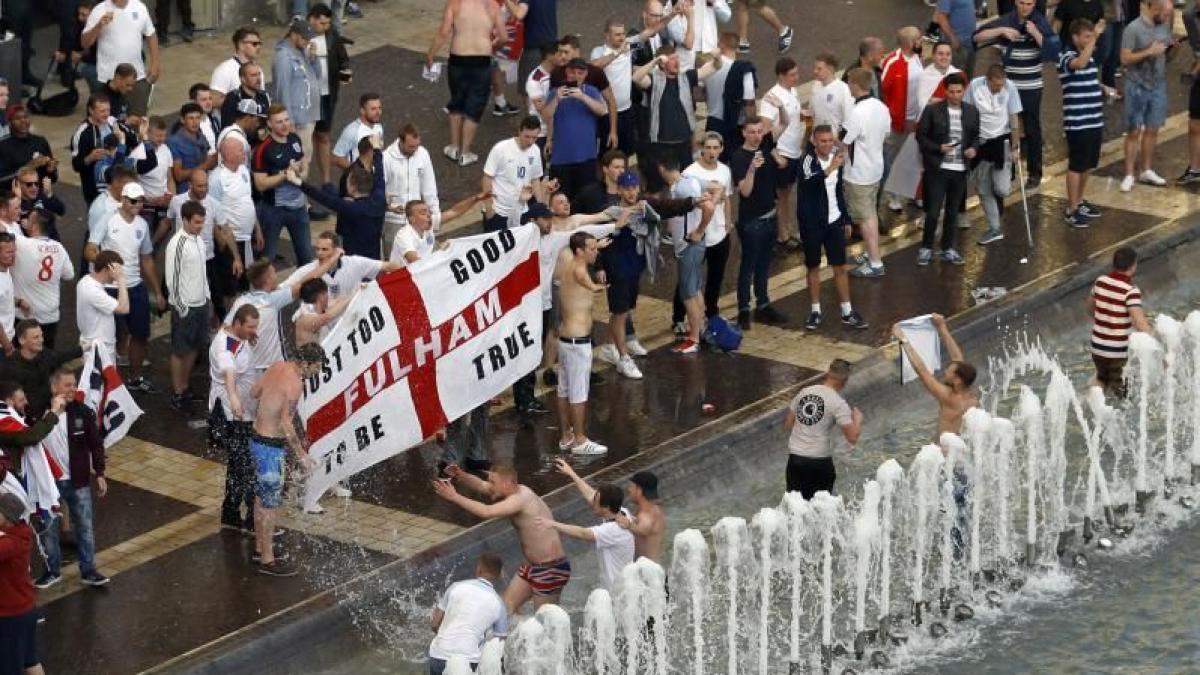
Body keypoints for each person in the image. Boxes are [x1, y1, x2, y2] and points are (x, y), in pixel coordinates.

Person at [433, 464, 570, 611]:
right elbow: (480, 485)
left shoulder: (520, 499)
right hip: (532, 566)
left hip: (550, 569)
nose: (490, 486)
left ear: (506, 484)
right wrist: (461, 475)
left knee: (544, 621)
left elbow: (486, 511)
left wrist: (455, 496)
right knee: (504, 610)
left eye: (493, 482)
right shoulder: (512, 490)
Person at [247, 343, 324, 576]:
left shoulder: (276, 366)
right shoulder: (296, 384)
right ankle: (268, 561)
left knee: (260, 498)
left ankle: (260, 548)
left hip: (255, 439)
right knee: (270, 504)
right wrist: (302, 455)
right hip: (270, 448)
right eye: (316, 368)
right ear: (305, 363)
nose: (317, 373)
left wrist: (269, 405)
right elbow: (286, 423)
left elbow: (254, 392)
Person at [85, 182, 165, 390]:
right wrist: (106, 264)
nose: (137, 204)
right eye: (132, 200)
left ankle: (136, 377)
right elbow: (90, 249)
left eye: (140, 200)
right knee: (110, 336)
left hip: (135, 287)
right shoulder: (107, 220)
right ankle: (108, 381)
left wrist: (157, 291)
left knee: (140, 334)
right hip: (111, 288)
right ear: (123, 199)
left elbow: (146, 259)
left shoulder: (142, 225)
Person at [973, 0, 1056, 189]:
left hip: (1031, 85)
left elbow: (1052, 52)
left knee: (1032, 128)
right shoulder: (1007, 20)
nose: (1025, 7)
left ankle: (1034, 172)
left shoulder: (1040, 22)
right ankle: (1007, 170)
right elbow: (977, 36)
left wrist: (1036, 33)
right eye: (1022, 3)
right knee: (1006, 129)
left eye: (1029, 3)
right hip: (1008, 86)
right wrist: (1000, 31)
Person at [38, 369, 109, 588]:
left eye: (74, 384)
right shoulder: (39, 413)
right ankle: (52, 570)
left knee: (85, 527)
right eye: (67, 385)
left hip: (78, 481)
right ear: (54, 388)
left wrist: (100, 473)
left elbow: (96, 444)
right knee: (48, 529)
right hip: (48, 483)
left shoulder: (82, 412)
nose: (72, 389)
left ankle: (88, 570)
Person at [797, 125, 868, 331]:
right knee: (813, 267)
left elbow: (838, 190)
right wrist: (831, 168)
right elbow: (810, 183)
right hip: (812, 224)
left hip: (834, 221)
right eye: (823, 141)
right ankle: (815, 310)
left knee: (840, 266)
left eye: (830, 141)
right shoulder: (807, 160)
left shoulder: (836, 159)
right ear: (814, 141)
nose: (827, 145)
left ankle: (847, 311)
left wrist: (845, 219)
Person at [427, 0, 507, 167]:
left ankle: (454, 147)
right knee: (475, 104)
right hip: (481, 59)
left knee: (457, 101)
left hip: (458, 58)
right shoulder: (492, 5)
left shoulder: (455, 3)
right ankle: (465, 152)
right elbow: (504, 37)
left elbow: (443, 32)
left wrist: (431, 54)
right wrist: (492, 45)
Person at [538, 459, 634, 591]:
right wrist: (571, 473)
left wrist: (552, 524)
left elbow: (582, 533)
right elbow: (590, 494)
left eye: (596, 501)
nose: (591, 501)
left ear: (606, 507)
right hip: (621, 586)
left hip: (617, 592)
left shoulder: (612, 530)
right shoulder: (623, 513)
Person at [915, 73, 979, 267]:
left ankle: (947, 248)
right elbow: (921, 137)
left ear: (964, 91)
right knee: (933, 212)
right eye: (951, 92)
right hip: (937, 169)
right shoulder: (932, 111)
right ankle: (926, 247)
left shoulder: (971, 111)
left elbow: (976, 135)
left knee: (952, 212)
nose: (955, 95)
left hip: (959, 170)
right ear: (945, 91)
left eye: (959, 92)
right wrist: (938, 148)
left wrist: (973, 149)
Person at [729, 116, 786, 330]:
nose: (756, 136)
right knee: (748, 267)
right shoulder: (739, 157)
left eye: (759, 132)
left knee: (764, 266)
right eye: (751, 132)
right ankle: (744, 309)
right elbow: (744, 191)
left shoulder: (766, 148)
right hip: (751, 222)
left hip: (770, 217)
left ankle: (763, 305)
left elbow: (785, 125)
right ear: (744, 133)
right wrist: (752, 168)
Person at [556, 231, 609, 454]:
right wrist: (600, 286)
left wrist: (599, 244)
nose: (595, 252)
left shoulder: (568, 262)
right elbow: (589, 283)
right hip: (578, 343)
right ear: (580, 251)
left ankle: (565, 436)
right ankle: (579, 440)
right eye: (592, 249)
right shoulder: (578, 269)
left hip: (566, 339)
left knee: (564, 390)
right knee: (578, 393)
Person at [783, 359, 862, 498]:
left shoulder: (804, 392)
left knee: (795, 506)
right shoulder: (838, 403)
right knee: (820, 508)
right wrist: (857, 419)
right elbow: (852, 438)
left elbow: (789, 424)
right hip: (819, 462)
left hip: (795, 460)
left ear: (828, 374)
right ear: (845, 380)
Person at [841, 68, 892, 279]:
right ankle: (870, 254)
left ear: (854, 85)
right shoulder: (881, 107)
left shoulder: (856, 112)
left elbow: (843, 142)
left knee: (866, 218)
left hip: (858, 174)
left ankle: (875, 262)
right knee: (870, 212)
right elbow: (886, 134)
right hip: (875, 169)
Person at [633, 45, 703, 195]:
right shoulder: (653, 81)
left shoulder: (687, 78)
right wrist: (655, 60)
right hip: (660, 146)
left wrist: (716, 57)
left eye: (677, 58)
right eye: (672, 59)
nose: (677, 62)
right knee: (655, 187)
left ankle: (681, 214)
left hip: (684, 144)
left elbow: (713, 67)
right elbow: (636, 77)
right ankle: (654, 217)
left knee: (685, 183)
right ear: (663, 63)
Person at [1118, 0, 1173, 193]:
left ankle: (1146, 169)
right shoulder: (1133, 29)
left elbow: (1165, 56)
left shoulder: (1164, 27)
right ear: (1154, 9)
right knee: (1134, 131)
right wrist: (1149, 51)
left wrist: (1173, 49)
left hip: (1158, 84)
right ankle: (1129, 173)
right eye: (1165, 14)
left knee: (1152, 128)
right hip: (1136, 85)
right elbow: (1124, 58)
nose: (1167, 18)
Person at [964, 64, 1022, 244]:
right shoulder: (975, 85)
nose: (999, 89)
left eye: (1001, 85)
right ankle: (995, 228)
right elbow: (967, 112)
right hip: (981, 144)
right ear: (988, 80)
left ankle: (998, 206)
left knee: (1002, 188)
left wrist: (1015, 146)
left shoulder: (1010, 87)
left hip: (1002, 142)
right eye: (996, 85)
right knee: (982, 189)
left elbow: (1014, 118)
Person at [893, 314, 978, 435]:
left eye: (949, 372)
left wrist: (903, 339)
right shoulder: (970, 393)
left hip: (943, 451)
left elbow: (921, 370)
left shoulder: (949, 397)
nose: (945, 372)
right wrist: (942, 327)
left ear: (957, 380)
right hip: (960, 447)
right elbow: (957, 358)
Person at [660, 157, 713, 352]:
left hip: (689, 246)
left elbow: (708, 206)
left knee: (689, 293)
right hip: (691, 245)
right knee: (695, 289)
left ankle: (694, 338)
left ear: (661, 168)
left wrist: (699, 230)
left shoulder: (684, 188)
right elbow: (716, 188)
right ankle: (701, 329)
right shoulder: (688, 181)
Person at [1058, 19, 1106, 228]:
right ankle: (1071, 209)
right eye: (1086, 37)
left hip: (1094, 119)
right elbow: (1079, 65)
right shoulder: (1066, 57)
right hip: (1077, 123)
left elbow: (1088, 75)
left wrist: (1103, 88)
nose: (1090, 41)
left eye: (1091, 36)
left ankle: (1079, 200)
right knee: (1077, 165)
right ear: (1075, 38)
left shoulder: (1090, 57)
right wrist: (1095, 37)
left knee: (1089, 164)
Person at [427, 553, 508, 675]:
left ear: (478, 569)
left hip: (439, 655)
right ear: (499, 575)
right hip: (469, 660)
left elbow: (434, 624)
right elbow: (499, 643)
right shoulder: (499, 604)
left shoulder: (455, 587)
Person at [253, 105, 314, 266]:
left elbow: (303, 162)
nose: (285, 124)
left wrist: (301, 174)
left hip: (299, 208)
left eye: (287, 120)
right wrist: (285, 175)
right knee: (267, 258)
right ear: (270, 124)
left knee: (307, 257)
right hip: (274, 210)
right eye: (279, 122)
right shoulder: (263, 149)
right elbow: (260, 184)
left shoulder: (294, 139)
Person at [682, 132, 734, 323]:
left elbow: (727, 197)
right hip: (697, 233)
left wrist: (728, 222)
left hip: (719, 233)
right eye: (708, 147)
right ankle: (679, 317)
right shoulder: (690, 173)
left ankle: (711, 312)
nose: (712, 152)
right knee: (689, 279)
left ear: (721, 149)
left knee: (715, 277)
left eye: (715, 148)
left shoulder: (725, 171)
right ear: (702, 148)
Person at [1087, 246, 1151, 397]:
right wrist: (1155, 340)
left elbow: (1089, 307)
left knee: (1102, 380)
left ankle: (1087, 403)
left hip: (1097, 347)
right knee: (1122, 393)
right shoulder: (1130, 291)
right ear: (1133, 266)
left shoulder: (1100, 281)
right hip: (1117, 352)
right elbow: (1140, 323)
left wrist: (1105, 321)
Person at [165, 201, 211, 411]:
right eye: (196, 222)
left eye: (202, 222)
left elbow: (202, 272)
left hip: (201, 303)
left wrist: (206, 297)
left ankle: (184, 386)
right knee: (179, 349)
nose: (200, 226)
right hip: (185, 306)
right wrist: (181, 307)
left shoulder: (198, 241)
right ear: (184, 220)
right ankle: (177, 391)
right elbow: (171, 280)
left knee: (194, 347)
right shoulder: (177, 244)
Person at [81, 0, 160, 120]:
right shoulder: (99, 10)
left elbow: (151, 34)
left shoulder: (139, 7)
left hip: (136, 78)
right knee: (105, 124)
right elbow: (85, 43)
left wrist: (155, 64)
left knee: (137, 122)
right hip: (108, 81)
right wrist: (99, 26)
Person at [544, 58, 608, 200]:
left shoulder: (591, 91)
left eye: (580, 72)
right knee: (560, 201)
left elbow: (603, 110)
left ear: (585, 74)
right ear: (567, 72)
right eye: (573, 72)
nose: (576, 76)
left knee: (586, 201)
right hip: (561, 159)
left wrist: (583, 97)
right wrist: (557, 99)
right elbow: (546, 115)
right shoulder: (556, 92)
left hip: (587, 159)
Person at [758, 57, 805, 250]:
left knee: (785, 194)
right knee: (780, 196)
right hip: (782, 154)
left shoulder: (791, 91)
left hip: (793, 152)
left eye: (796, 73)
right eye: (792, 75)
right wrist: (776, 154)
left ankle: (784, 229)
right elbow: (765, 132)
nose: (797, 77)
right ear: (781, 76)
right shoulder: (771, 99)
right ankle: (782, 235)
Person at [309, 3, 354, 195]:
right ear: (311, 20)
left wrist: (345, 71)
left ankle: (326, 181)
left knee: (324, 135)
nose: (325, 27)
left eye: (328, 23)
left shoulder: (332, 34)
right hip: (307, 97)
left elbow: (343, 57)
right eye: (322, 23)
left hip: (327, 94)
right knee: (304, 138)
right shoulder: (301, 37)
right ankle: (301, 180)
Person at [11, 215, 74, 350]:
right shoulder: (59, 248)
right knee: (45, 357)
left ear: (34, 226)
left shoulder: (22, 244)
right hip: (49, 315)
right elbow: (69, 274)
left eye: (29, 219)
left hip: (24, 316)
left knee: (22, 359)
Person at [879, 26, 925, 212]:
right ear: (910, 43)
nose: (922, 42)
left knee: (915, 157)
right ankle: (894, 197)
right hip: (898, 121)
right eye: (919, 39)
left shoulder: (916, 57)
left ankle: (916, 194)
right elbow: (882, 92)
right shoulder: (892, 63)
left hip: (916, 118)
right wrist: (890, 117)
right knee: (894, 159)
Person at [0, 491, 45, 675]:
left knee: (9, 668)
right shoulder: (20, 532)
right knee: (30, 660)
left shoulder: (8, 544)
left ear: (7, 517)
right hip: (25, 609)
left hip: (10, 615)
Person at [272, 19, 322, 182]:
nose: (308, 42)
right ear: (293, 35)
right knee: (299, 161)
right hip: (298, 120)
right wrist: (289, 121)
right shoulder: (283, 57)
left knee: (305, 158)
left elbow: (316, 76)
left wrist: (314, 58)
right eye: (305, 38)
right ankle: (300, 199)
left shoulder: (300, 50)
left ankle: (302, 198)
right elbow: (282, 89)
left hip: (308, 116)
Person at [0, 323, 80, 420]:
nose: (41, 340)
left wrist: (82, 349)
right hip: (27, 422)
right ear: (22, 340)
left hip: (50, 414)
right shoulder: (9, 368)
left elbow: (60, 356)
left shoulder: (44, 354)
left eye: (41, 336)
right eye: (36, 337)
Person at [481, 116, 547, 231]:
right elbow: (487, 178)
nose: (530, 141)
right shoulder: (501, 149)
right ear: (519, 131)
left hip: (521, 211)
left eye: (534, 138)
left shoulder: (535, 151)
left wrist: (540, 206)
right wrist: (489, 208)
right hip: (498, 211)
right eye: (527, 137)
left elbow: (535, 179)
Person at [382, 124, 441, 250]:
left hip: (417, 220)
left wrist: (435, 213)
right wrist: (390, 207)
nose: (415, 149)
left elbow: (429, 186)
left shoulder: (423, 154)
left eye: (417, 145)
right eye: (411, 146)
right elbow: (379, 189)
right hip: (394, 221)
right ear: (401, 141)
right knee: (395, 263)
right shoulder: (386, 158)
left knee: (421, 258)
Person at [701, 32, 758, 162]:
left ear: (720, 44)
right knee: (736, 164)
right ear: (737, 47)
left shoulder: (708, 66)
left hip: (713, 122)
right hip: (735, 125)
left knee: (712, 162)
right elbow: (749, 102)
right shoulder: (744, 70)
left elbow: (699, 93)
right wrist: (751, 127)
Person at [210, 136, 264, 270]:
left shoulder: (244, 170)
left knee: (246, 280)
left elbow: (248, 201)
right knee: (232, 282)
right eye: (240, 150)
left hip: (247, 237)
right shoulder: (217, 179)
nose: (245, 153)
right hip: (230, 241)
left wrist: (257, 230)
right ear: (228, 154)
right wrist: (221, 239)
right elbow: (212, 212)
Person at [389, 196, 483, 266]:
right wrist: (440, 254)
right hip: (402, 282)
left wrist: (476, 199)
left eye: (429, 212)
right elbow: (414, 262)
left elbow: (455, 211)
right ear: (412, 219)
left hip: (422, 274)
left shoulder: (429, 224)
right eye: (423, 213)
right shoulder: (404, 235)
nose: (428, 215)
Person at [590, 19, 637, 155]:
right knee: (604, 154)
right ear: (607, 35)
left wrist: (672, 13)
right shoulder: (599, 51)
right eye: (617, 34)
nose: (622, 37)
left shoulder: (628, 46)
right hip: (605, 113)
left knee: (626, 153)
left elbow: (650, 32)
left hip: (626, 111)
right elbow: (595, 66)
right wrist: (617, 53)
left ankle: (624, 177)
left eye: (623, 34)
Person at [76, 250, 130, 362]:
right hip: (100, 350)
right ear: (106, 270)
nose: (116, 276)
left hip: (95, 346)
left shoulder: (85, 281)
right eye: (116, 271)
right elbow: (124, 308)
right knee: (103, 380)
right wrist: (121, 280)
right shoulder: (92, 290)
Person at [69, 94, 119, 204]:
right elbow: (76, 165)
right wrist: (90, 158)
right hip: (95, 190)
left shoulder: (112, 123)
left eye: (108, 110)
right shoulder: (82, 133)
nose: (106, 114)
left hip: (116, 184)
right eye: (102, 111)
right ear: (91, 110)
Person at [133, 116, 176, 228]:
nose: (162, 139)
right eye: (158, 136)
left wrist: (171, 197)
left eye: (164, 135)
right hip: (145, 205)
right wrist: (147, 199)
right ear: (148, 133)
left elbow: (170, 177)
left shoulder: (166, 149)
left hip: (164, 203)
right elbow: (132, 181)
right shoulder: (138, 152)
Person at [614, 471, 666, 562]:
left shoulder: (646, 515)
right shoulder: (656, 509)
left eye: (631, 487)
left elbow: (644, 529)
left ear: (639, 490)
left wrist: (629, 525)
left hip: (647, 573)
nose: (628, 490)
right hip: (655, 570)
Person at [0, 106, 58, 186]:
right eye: (18, 118)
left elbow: (53, 179)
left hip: (39, 192)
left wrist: (50, 170)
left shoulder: (40, 141)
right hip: (14, 194)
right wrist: (29, 167)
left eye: (25, 117)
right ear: (10, 122)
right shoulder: (3, 146)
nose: (23, 121)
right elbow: (2, 180)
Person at [209, 26, 263, 112]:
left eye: (260, 44)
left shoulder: (258, 69)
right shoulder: (224, 70)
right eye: (254, 44)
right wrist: (241, 100)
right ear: (241, 45)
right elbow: (214, 101)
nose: (258, 47)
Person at [168, 102, 217, 194]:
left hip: (205, 189)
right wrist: (205, 166)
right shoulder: (174, 142)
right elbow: (178, 175)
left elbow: (207, 161)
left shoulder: (201, 136)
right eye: (191, 118)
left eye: (198, 118)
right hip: (186, 192)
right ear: (182, 120)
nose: (195, 122)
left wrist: (215, 158)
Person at [292, 278, 357, 347]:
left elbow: (338, 301)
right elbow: (326, 317)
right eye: (326, 293)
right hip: (310, 356)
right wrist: (351, 296)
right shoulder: (305, 318)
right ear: (321, 296)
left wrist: (357, 292)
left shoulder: (317, 305)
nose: (328, 297)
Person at [332, 93, 384, 176]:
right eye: (373, 109)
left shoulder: (379, 128)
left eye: (379, 108)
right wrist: (358, 171)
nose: (378, 112)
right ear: (362, 111)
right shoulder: (352, 131)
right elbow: (336, 158)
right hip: (357, 183)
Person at [220, 62, 273, 134]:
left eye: (259, 74)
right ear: (243, 79)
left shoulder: (264, 95)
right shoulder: (233, 98)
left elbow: (270, 121)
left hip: (264, 141)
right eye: (253, 75)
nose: (258, 79)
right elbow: (228, 129)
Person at [810, 54, 854, 135]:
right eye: (815, 68)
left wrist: (839, 138)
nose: (815, 71)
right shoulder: (815, 85)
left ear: (830, 69)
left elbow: (848, 120)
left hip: (833, 143)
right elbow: (812, 114)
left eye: (819, 69)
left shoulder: (844, 89)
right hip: (816, 140)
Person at [935, 0, 980, 71]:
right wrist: (952, 38)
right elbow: (941, 17)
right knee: (954, 76)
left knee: (968, 75)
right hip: (958, 44)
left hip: (971, 41)